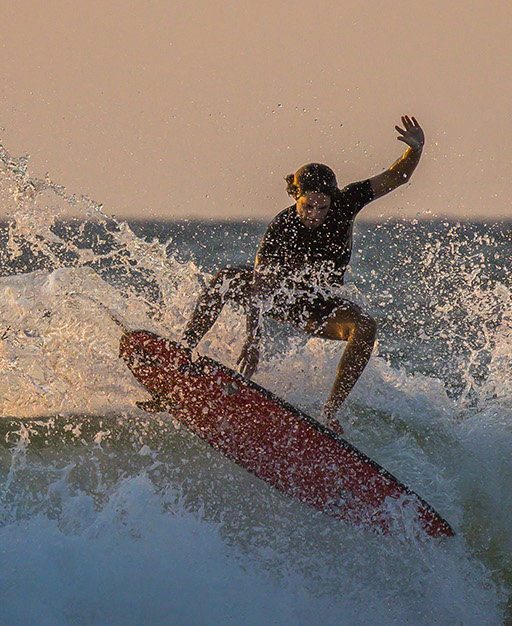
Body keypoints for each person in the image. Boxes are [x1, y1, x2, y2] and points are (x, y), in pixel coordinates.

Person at [177, 115, 425, 433]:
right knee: (228, 276)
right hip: (281, 297)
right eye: (309, 207)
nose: (315, 215)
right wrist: (253, 340)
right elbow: (261, 288)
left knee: (365, 326)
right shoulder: (281, 227)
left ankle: (329, 412)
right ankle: (180, 353)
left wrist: (415, 150)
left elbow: (396, 177)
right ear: (296, 196)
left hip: (319, 307)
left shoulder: (346, 203)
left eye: (322, 208)